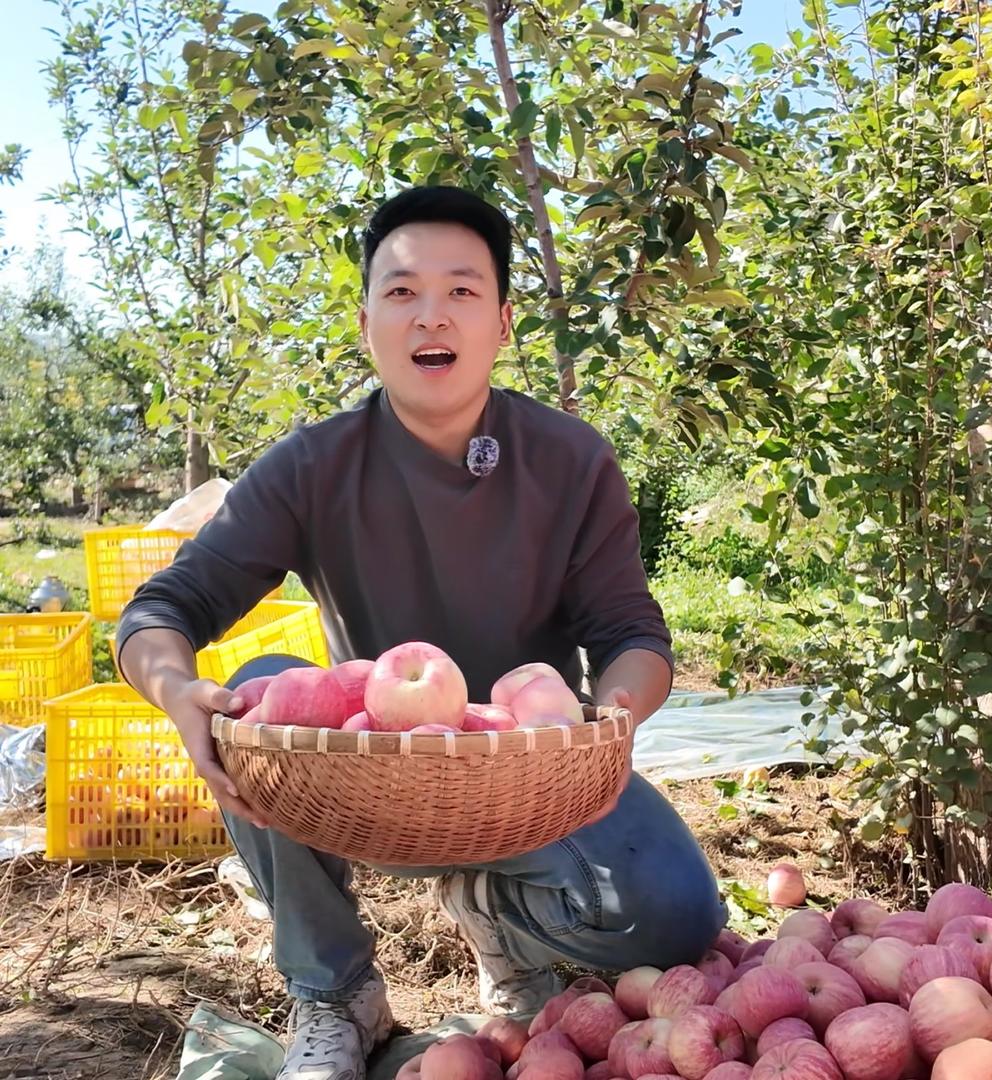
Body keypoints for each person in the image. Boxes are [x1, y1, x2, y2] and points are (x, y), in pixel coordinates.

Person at [117, 185, 726, 1080]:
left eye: (462, 291)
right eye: (401, 291)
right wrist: (177, 692)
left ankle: (493, 908)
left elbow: (631, 631)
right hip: (371, 785)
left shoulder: (571, 461)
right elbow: (165, 609)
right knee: (256, 692)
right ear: (367, 323)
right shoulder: (311, 466)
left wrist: (613, 720)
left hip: (532, 780)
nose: (430, 315)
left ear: (504, 322)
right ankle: (335, 991)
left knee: (676, 919)